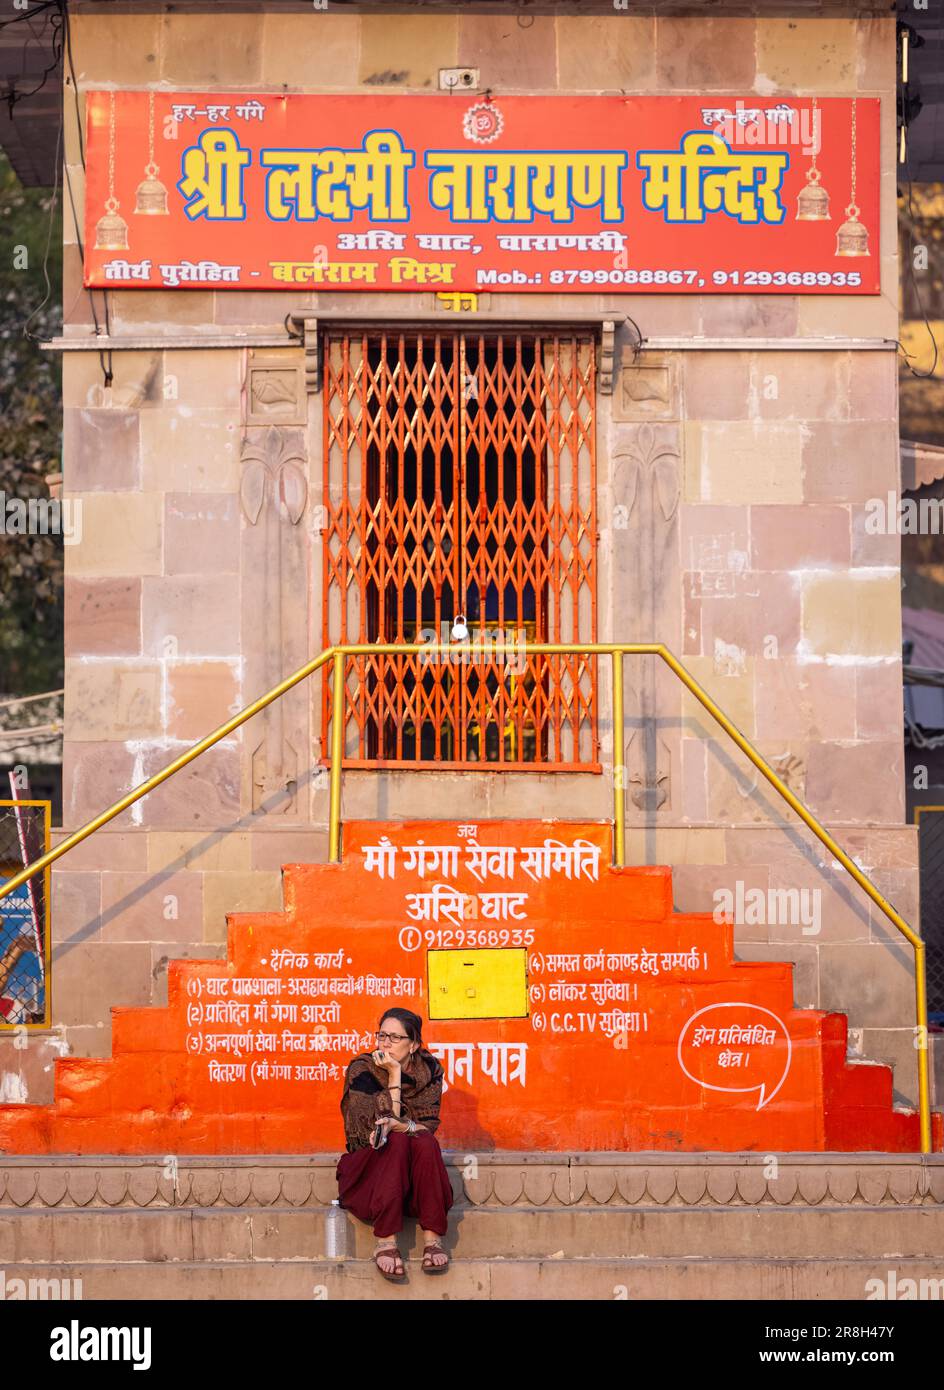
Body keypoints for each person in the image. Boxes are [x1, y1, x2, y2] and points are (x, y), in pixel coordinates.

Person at [336, 1006, 454, 1281]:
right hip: (370, 1171)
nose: (385, 1043)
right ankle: (386, 1242)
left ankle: (432, 1240)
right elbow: (375, 1133)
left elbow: (429, 1125)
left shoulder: (430, 1069)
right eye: (382, 1035)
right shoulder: (362, 1069)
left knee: (424, 1142)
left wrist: (402, 1120)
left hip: (410, 1180)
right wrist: (394, 1076)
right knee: (398, 1140)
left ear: (413, 1044)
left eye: (395, 1037)